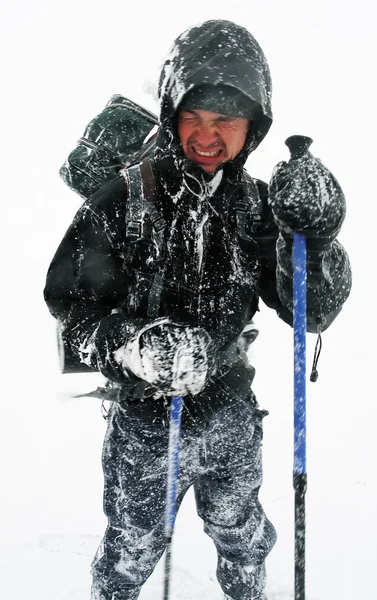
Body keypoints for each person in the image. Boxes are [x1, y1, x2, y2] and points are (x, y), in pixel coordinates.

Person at [44, 19, 352, 600]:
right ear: (170, 112)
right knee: (132, 547)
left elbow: (309, 311)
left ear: (254, 127)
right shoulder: (122, 200)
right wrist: (136, 345)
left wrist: (315, 243)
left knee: (241, 535)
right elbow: (73, 319)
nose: (208, 136)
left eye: (227, 120)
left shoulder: (261, 205)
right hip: (143, 423)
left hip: (231, 415)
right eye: (194, 116)